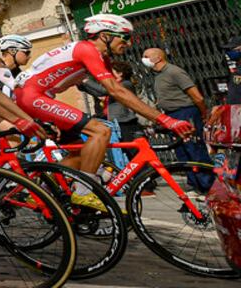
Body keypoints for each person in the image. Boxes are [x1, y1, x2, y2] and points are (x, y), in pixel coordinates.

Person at [14, 13, 193, 207]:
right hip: (32, 97)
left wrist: (154, 117)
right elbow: (116, 91)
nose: (128, 43)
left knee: (81, 153)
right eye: (124, 37)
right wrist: (165, 119)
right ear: (105, 36)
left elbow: (117, 92)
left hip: (37, 96)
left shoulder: (101, 56)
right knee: (101, 131)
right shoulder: (87, 49)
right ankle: (83, 192)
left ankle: (42, 191)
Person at [144, 47, 213, 188]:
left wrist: (203, 114)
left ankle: (208, 185)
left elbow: (197, 97)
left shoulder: (174, 72)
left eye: (146, 56)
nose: (144, 59)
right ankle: (194, 184)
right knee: (181, 151)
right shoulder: (158, 75)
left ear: (158, 58)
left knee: (194, 148)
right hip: (171, 115)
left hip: (185, 113)